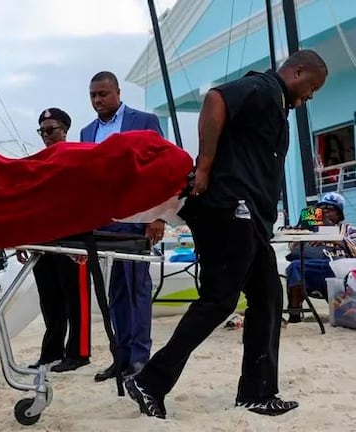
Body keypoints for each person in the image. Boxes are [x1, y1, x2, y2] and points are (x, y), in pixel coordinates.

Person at [125, 49, 328, 419]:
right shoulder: (265, 88)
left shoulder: (276, 104)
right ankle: (150, 381)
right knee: (219, 300)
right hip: (231, 209)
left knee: (268, 296)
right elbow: (215, 99)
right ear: (297, 71)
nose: (310, 95)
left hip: (252, 220)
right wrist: (203, 166)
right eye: (312, 85)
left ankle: (257, 391)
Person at [79, 71, 165, 382]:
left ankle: (140, 359)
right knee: (114, 292)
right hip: (104, 222)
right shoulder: (86, 133)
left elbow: (159, 169)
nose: (98, 100)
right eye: (93, 95)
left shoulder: (144, 121)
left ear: (117, 92)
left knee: (136, 290)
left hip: (139, 218)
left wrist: (159, 216)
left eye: (103, 94)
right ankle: (121, 357)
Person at [17, 108, 91, 372]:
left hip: (72, 240)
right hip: (43, 240)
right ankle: (51, 352)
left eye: (51, 130)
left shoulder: (78, 158)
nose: (46, 136)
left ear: (65, 130)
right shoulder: (37, 161)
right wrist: (24, 238)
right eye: (42, 131)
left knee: (76, 299)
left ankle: (78, 353)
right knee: (49, 300)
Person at [285, 192, 356, 322]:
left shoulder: (348, 229)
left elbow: (355, 249)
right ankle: (295, 312)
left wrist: (335, 240)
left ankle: (343, 310)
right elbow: (292, 248)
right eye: (321, 210)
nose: (325, 213)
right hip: (313, 265)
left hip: (337, 265)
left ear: (339, 214)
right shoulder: (311, 230)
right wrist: (301, 233)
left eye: (329, 210)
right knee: (295, 266)